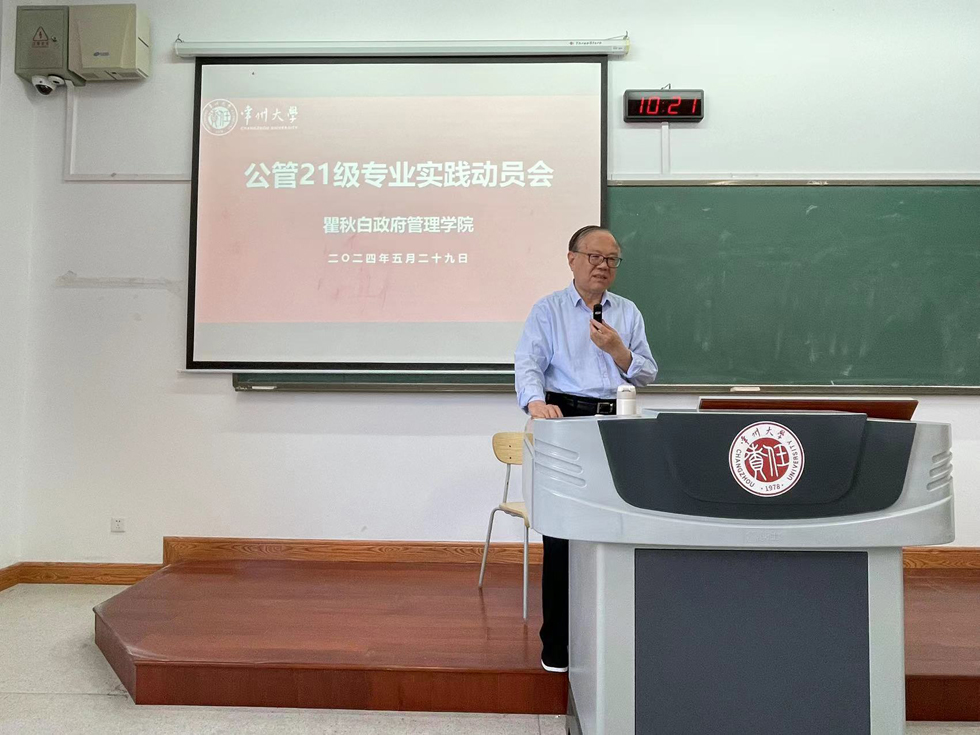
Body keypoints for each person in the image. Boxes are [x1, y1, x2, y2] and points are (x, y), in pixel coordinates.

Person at [514, 225, 658, 672]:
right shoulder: (549, 310)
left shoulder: (627, 312)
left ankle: (613, 645)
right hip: (564, 419)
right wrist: (535, 403)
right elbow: (528, 363)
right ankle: (557, 648)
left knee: (617, 529)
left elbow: (647, 373)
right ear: (572, 258)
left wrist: (619, 350)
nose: (603, 266)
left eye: (612, 259)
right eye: (594, 257)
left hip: (616, 421)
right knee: (561, 537)